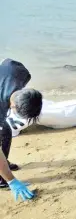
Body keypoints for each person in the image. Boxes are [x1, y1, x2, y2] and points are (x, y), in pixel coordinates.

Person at [0, 58, 42, 189]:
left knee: (6, 130)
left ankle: (4, 164)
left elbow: (7, 62)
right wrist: (11, 180)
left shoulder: (18, 72)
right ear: (13, 106)